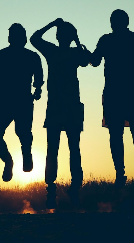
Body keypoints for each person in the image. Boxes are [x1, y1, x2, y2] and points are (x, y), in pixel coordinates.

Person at [31, 18, 91, 209]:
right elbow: (86, 60)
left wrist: (51, 24)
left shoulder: (53, 51)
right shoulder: (73, 53)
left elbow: (34, 38)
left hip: (59, 107)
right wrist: (75, 39)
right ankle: (73, 191)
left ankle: (53, 192)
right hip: (69, 107)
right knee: (73, 149)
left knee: (54, 150)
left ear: (57, 36)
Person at [90, 9, 134, 187]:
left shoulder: (106, 40)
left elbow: (94, 61)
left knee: (118, 134)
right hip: (132, 91)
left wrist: (84, 51)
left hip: (116, 92)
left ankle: (123, 174)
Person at [0, 23, 44, 182]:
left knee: (19, 132)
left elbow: (39, 78)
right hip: (11, 101)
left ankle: (22, 154)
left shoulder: (28, 56)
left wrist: (37, 89)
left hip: (16, 101)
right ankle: (11, 159)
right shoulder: (2, 56)